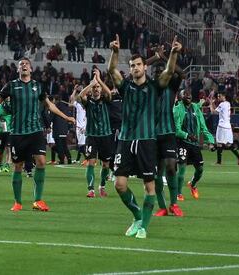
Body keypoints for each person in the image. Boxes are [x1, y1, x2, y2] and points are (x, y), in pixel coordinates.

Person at [0, 57, 75, 212]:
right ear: (18, 70)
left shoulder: (38, 86)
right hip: (17, 132)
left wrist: (66, 117)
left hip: (35, 130)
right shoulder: (11, 86)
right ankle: (17, 202)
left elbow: (49, 105)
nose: (24, 66)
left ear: (30, 69)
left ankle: (38, 200)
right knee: (18, 166)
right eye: (21, 64)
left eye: (26, 64)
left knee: (42, 162)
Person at [108, 34, 181, 239]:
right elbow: (111, 70)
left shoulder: (154, 87)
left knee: (149, 186)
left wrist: (173, 54)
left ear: (145, 67)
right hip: (125, 141)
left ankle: (143, 228)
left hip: (147, 141)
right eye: (132, 65)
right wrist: (114, 52)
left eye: (138, 65)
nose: (135, 68)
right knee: (119, 184)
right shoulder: (126, 87)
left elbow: (168, 72)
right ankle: (138, 216)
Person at [148, 48, 184, 217]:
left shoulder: (171, 86)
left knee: (171, 168)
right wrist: (154, 58)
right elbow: (133, 71)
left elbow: (182, 74)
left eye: (160, 70)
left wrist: (168, 58)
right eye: (154, 71)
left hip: (168, 133)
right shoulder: (147, 87)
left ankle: (174, 204)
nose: (157, 73)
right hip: (152, 135)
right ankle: (162, 207)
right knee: (156, 172)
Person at [75, 69, 112, 198]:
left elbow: (109, 93)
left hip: (106, 135)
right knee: (91, 162)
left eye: (98, 87)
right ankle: (91, 189)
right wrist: (91, 83)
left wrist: (100, 80)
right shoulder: (88, 101)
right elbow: (80, 96)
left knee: (106, 164)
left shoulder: (105, 99)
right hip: (91, 136)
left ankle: (102, 186)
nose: (96, 89)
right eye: (94, 88)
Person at [174, 88, 215, 201]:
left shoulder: (196, 108)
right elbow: (176, 130)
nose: (188, 96)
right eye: (185, 94)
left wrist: (211, 141)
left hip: (194, 144)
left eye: (190, 94)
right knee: (181, 169)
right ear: (181, 96)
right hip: (182, 142)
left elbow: (203, 126)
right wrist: (187, 135)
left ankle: (192, 184)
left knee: (200, 169)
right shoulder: (177, 109)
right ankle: (178, 193)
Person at [209, 91, 239, 166]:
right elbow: (218, 111)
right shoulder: (227, 103)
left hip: (222, 126)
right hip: (228, 127)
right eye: (217, 96)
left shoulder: (222, 104)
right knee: (228, 144)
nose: (218, 97)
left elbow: (213, 112)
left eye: (219, 96)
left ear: (223, 96)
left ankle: (218, 162)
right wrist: (214, 104)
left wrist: (210, 103)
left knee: (219, 144)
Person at [0, 99, 12, 172]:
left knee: (9, 148)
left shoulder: (13, 107)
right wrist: (0, 124)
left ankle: (7, 165)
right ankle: (0, 164)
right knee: (1, 150)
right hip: (1, 131)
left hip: (10, 131)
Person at [69, 85, 87, 165]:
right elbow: (71, 101)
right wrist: (74, 90)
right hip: (78, 126)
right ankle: (78, 159)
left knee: (82, 144)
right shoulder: (78, 105)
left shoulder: (87, 106)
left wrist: (86, 127)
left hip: (83, 127)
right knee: (80, 144)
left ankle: (88, 159)